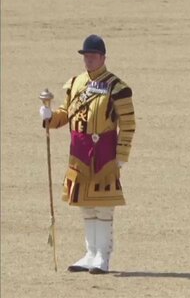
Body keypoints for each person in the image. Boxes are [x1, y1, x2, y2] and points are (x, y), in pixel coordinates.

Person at [39, 34, 136, 273]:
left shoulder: (117, 87)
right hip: (79, 153)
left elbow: (128, 123)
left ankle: (103, 255)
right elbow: (65, 113)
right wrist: (51, 118)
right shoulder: (75, 83)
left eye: (93, 56)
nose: (89, 60)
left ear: (103, 57)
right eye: (86, 56)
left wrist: (121, 155)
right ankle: (90, 253)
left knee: (103, 207)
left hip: (104, 153)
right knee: (85, 206)